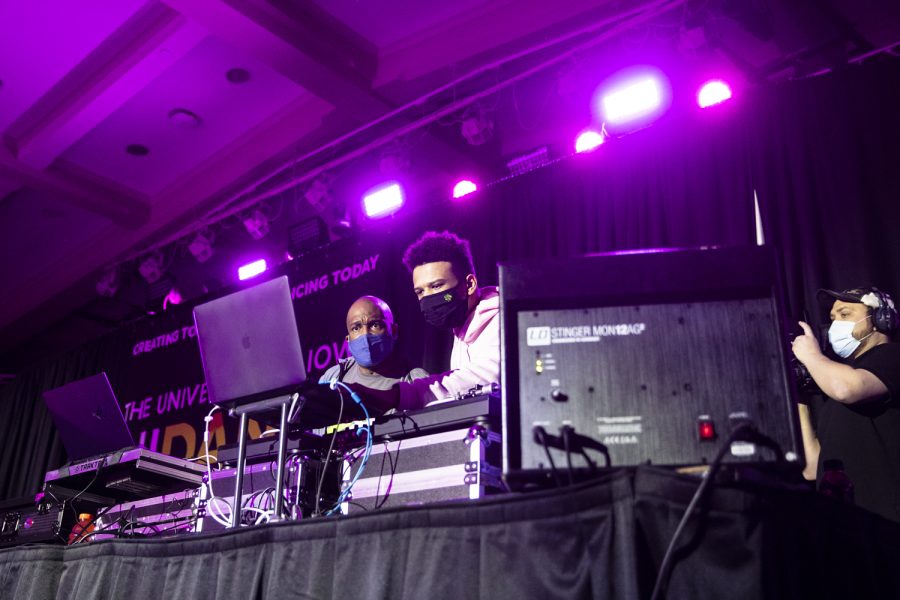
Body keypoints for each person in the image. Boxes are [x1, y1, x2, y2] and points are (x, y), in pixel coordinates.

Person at [791, 286, 900, 521]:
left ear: (881, 319)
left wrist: (812, 356)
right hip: (845, 528)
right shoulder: (839, 380)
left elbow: (847, 389)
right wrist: (799, 398)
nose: (835, 324)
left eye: (845, 314)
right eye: (832, 318)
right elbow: (813, 467)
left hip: (886, 526)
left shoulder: (892, 356)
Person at [395, 230, 500, 410]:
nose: (427, 298)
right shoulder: (461, 331)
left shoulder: (502, 321)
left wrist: (403, 394)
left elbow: (487, 378)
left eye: (436, 286)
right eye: (420, 292)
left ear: (469, 285)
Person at [319, 296, 428, 406]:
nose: (365, 334)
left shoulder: (415, 380)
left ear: (394, 332)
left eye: (375, 325)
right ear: (348, 339)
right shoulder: (334, 377)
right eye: (356, 328)